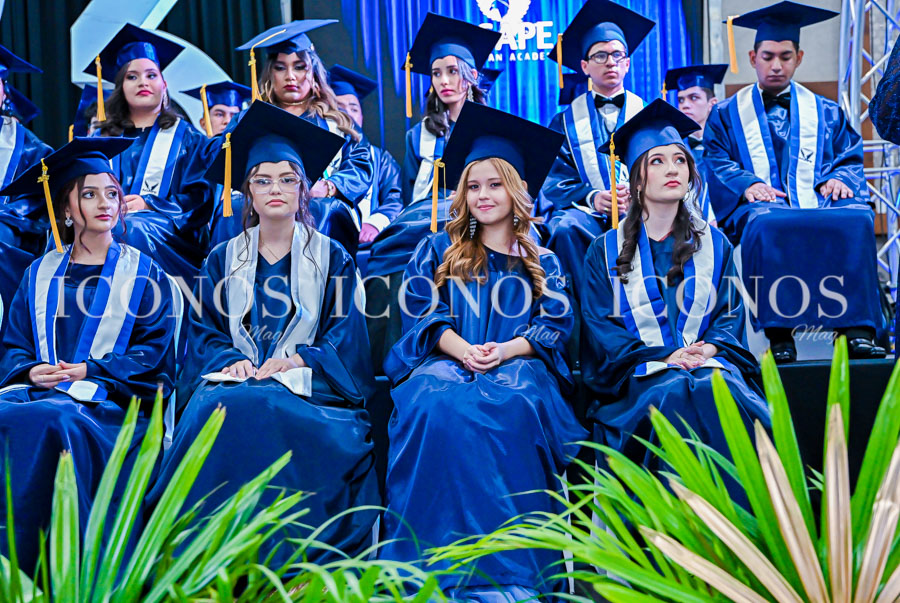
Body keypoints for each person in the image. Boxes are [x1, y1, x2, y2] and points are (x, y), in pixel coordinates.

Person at [149, 102, 378, 565]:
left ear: (303, 190)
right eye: (262, 180)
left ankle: (288, 560)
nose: (276, 189)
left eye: (288, 179)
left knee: (267, 404)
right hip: (235, 382)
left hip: (311, 388)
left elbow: (345, 337)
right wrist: (229, 361)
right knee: (221, 406)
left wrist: (297, 361)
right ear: (247, 193)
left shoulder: (332, 256)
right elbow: (204, 333)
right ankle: (212, 558)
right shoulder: (221, 258)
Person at [380, 103, 587, 600]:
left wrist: (507, 349)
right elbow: (421, 312)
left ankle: (515, 572)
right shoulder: (438, 249)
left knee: (511, 403)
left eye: (495, 184)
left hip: (519, 364)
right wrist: (462, 350)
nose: (483, 195)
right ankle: (427, 568)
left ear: (516, 190)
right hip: (447, 358)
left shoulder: (545, 258)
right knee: (433, 401)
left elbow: (554, 325)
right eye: (473, 186)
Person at [0, 137, 177, 573]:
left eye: (112, 193)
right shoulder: (38, 273)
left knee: (57, 417)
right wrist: (31, 371)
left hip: (112, 407)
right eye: (89, 194)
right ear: (65, 208)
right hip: (41, 395)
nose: (105, 204)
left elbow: (154, 356)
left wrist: (91, 370)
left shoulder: (145, 273)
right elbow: (14, 346)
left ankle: (62, 568)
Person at [580, 99, 769, 476]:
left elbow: (730, 315)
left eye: (680, 160)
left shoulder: (715, 244)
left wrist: (708, 349)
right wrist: (667, 356)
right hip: (638, 378)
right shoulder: (604, 251)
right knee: (671, 391)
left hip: (709, 363)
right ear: (636, 179)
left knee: (716, 387)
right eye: (657, 161)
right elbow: (603, 331)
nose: (672, 169)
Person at [703, 2, 885, 361]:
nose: (776, 65)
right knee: (766, 223)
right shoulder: (726, 114)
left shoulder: (826, 110)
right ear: (753, 57)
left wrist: (838, 177)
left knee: (858, 218)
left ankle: (856, 330)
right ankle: (780, 334)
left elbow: (848, 155)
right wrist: (745, 184)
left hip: (818, 199)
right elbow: (716, 159)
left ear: (799, 58)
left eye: (785, 57)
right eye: (768, 56)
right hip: (761, 205)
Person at [365, 13, 500, 372]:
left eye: (453, 71)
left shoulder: (496, 128)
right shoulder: (418, 135)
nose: (444, 81)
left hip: (481, 217)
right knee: (387, 259)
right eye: (437, 73)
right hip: (425, 218)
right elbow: (412, 194)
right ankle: (397, 361)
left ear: (472, 75)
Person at [233, 19, 373, 258]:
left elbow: (360, 167)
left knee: (324, 209)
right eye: (280, 68)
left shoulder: (337, 122)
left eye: (299, 67)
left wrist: (329, 187)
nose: (290, 76)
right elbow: (224, 164)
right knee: (235, 210)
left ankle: (321, 277)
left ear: (313, 72)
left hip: (319, 202)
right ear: (270, 73)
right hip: (260, 203)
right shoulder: (250, 119)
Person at [543, 0, 655, 300]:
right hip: (588, 216)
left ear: (627, 63)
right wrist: (593, 197)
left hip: (644, 209)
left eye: (617, 55)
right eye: (600, 55)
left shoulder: (650, 115)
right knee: (564, 228)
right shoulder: (564, 122)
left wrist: (640, 195)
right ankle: (584, 314)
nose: (610, 62)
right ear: (584, 66)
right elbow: (555, 179)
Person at [88, 23, 213, 287]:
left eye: (151, 75)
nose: (143, 82)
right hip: (107, 222)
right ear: (120, 87)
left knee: (131, 229)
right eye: (132, 77)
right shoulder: (101, 139)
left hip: (169, 233)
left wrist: (150, 205)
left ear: (164, 85)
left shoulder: (188, 139)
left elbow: (200, 199)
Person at [0, 45, 52, 341]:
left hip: (9, 231)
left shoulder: (30, 147)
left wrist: (6, 214)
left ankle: (9, 347)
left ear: (4, 91)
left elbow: (37, 201)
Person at [328, 64, 402, 260]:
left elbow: (394, 198)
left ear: (361, 116)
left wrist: (375, 223)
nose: (348, 115)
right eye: (339, 108)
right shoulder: (320, 152)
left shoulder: (381, 158)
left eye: (354, 108)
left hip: (368, 247)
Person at [181, 81, 253, 248]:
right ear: (203, 122)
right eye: (219, 114)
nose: (227, 121)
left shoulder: (251, 157)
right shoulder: (190, 156)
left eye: (234, 115)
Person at [663, 63, 728, 222]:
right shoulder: (672, 148)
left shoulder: (728, 146)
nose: (685, 105)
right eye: (681, 100)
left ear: (712, 103)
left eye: (694, 98)